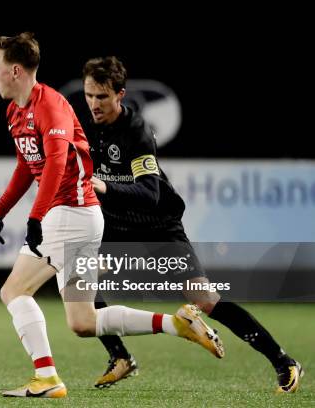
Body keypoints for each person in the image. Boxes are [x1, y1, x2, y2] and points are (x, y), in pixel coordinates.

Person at [0, 33, 224, 399]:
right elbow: (26, 166)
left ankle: (47, 378)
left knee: (14, 290)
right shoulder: (15, 111)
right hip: (76, 215)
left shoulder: (50, 105)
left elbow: (56, 164)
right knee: (83, 322)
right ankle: (176, 323)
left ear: (15, 70)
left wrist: (35, 219)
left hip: (70, 212)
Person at [80, 56, 304, 393]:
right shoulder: (85, 127)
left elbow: (150, 192)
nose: (94, 104)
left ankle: (283, 361)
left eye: (102, 97)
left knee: (205, 299)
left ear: (120, 94)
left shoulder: (136, 131)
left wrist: (104, 186)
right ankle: (120, 358)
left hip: (157, 224)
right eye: (89, 95)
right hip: (116, 225)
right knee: (83, 278)